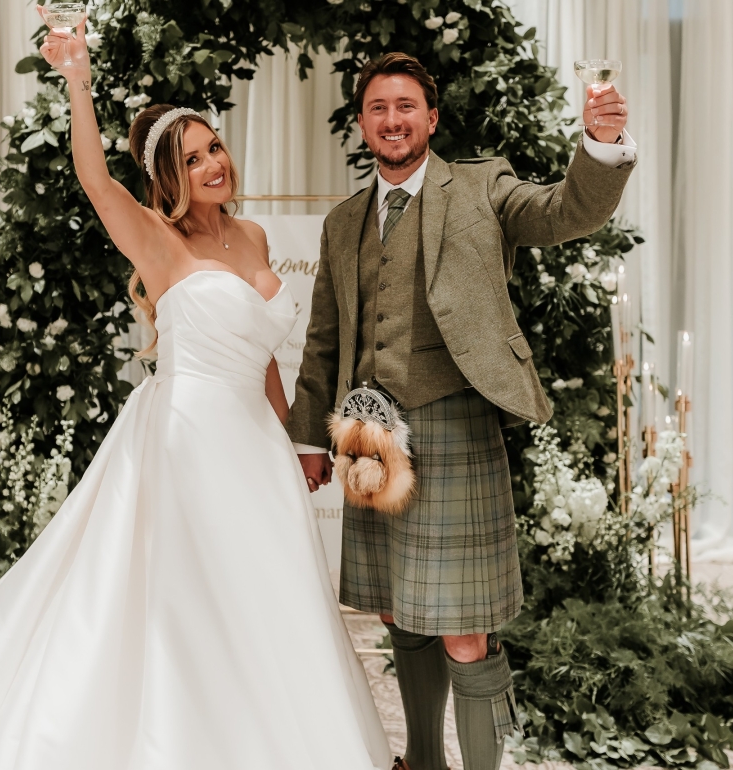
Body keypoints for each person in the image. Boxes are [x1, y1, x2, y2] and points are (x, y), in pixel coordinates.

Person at [0, 18, 392, 770]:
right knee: (196, 593)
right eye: (193, 158)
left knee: (269, 593)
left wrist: (294, 438)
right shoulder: (156, 239)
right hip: (189, 434)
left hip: (257, 441)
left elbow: (265, 355)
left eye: (215, 147)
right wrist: (77, 76)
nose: (213, 164)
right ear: (169, 177)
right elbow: (95, 179)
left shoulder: (257, 239)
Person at [287, 52, 636, 770]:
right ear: (362, 122)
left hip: (456, 420)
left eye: (406, 106)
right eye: (379, 107)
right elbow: (324, 338)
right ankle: (422, 761)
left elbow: (564, 211)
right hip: (368, 434)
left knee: (464, 628)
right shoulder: (344, 220)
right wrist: (308, 438)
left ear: (432, 118)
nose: (392, 119)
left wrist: (599, 146)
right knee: (396, 612)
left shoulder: (481, 186)